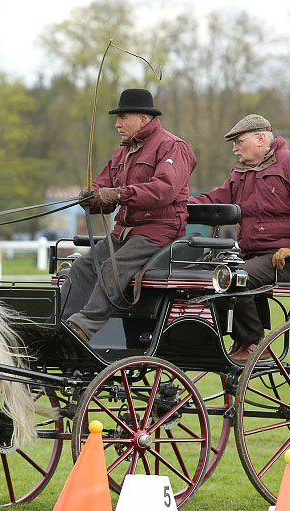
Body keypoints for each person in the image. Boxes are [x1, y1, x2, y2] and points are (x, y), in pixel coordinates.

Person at [189, 114, 290, 362]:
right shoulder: (242, 173)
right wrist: (177, 205)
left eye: (238, 141)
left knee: (234, 277)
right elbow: (214, 199)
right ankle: (224, 336)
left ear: (261, 138)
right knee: (205, 274)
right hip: (252, 257)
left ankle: (254, 344)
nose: (234, 149)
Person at [60, 88, 197, 341]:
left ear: (143, 119)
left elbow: (163, 190)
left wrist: (118, 195)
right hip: (124, 232)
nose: (117, 124)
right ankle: (60, 325)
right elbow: (103, 188)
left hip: (159, 231)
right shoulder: (121, 152)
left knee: (114, 268)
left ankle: (82, 328)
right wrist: (91, 197)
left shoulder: (172, 147)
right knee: (81, 267)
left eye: (123, 118)